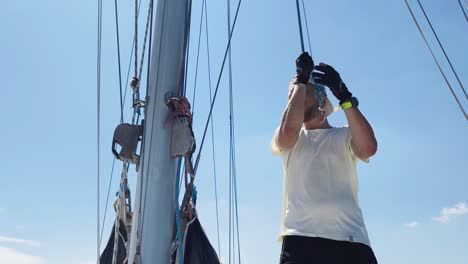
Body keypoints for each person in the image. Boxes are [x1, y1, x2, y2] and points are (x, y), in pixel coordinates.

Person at [271, 52, 378, 264]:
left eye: (303, 91)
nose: (297, 97)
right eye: (293, 94)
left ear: (321, 96)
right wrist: (301, 81)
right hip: (301, 241)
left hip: (352, 241)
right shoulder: (289, 140)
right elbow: (288, 131)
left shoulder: (345, 135)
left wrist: (344, 96)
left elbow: (367, 148)